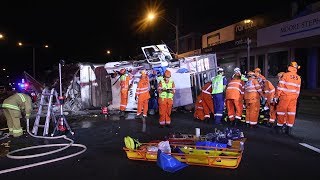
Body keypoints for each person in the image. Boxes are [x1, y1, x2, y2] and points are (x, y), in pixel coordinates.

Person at [274, 61, 301, 135]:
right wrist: (295, 98)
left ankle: (279, 127)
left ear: (290, 67)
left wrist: (276, 96)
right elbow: (298, 90)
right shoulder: (298, 78)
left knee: (281, 111)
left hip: (285, 96)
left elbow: (280, 87)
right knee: (291, 113)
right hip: (294, 98)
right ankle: (288, 129)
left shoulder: (285, 75)